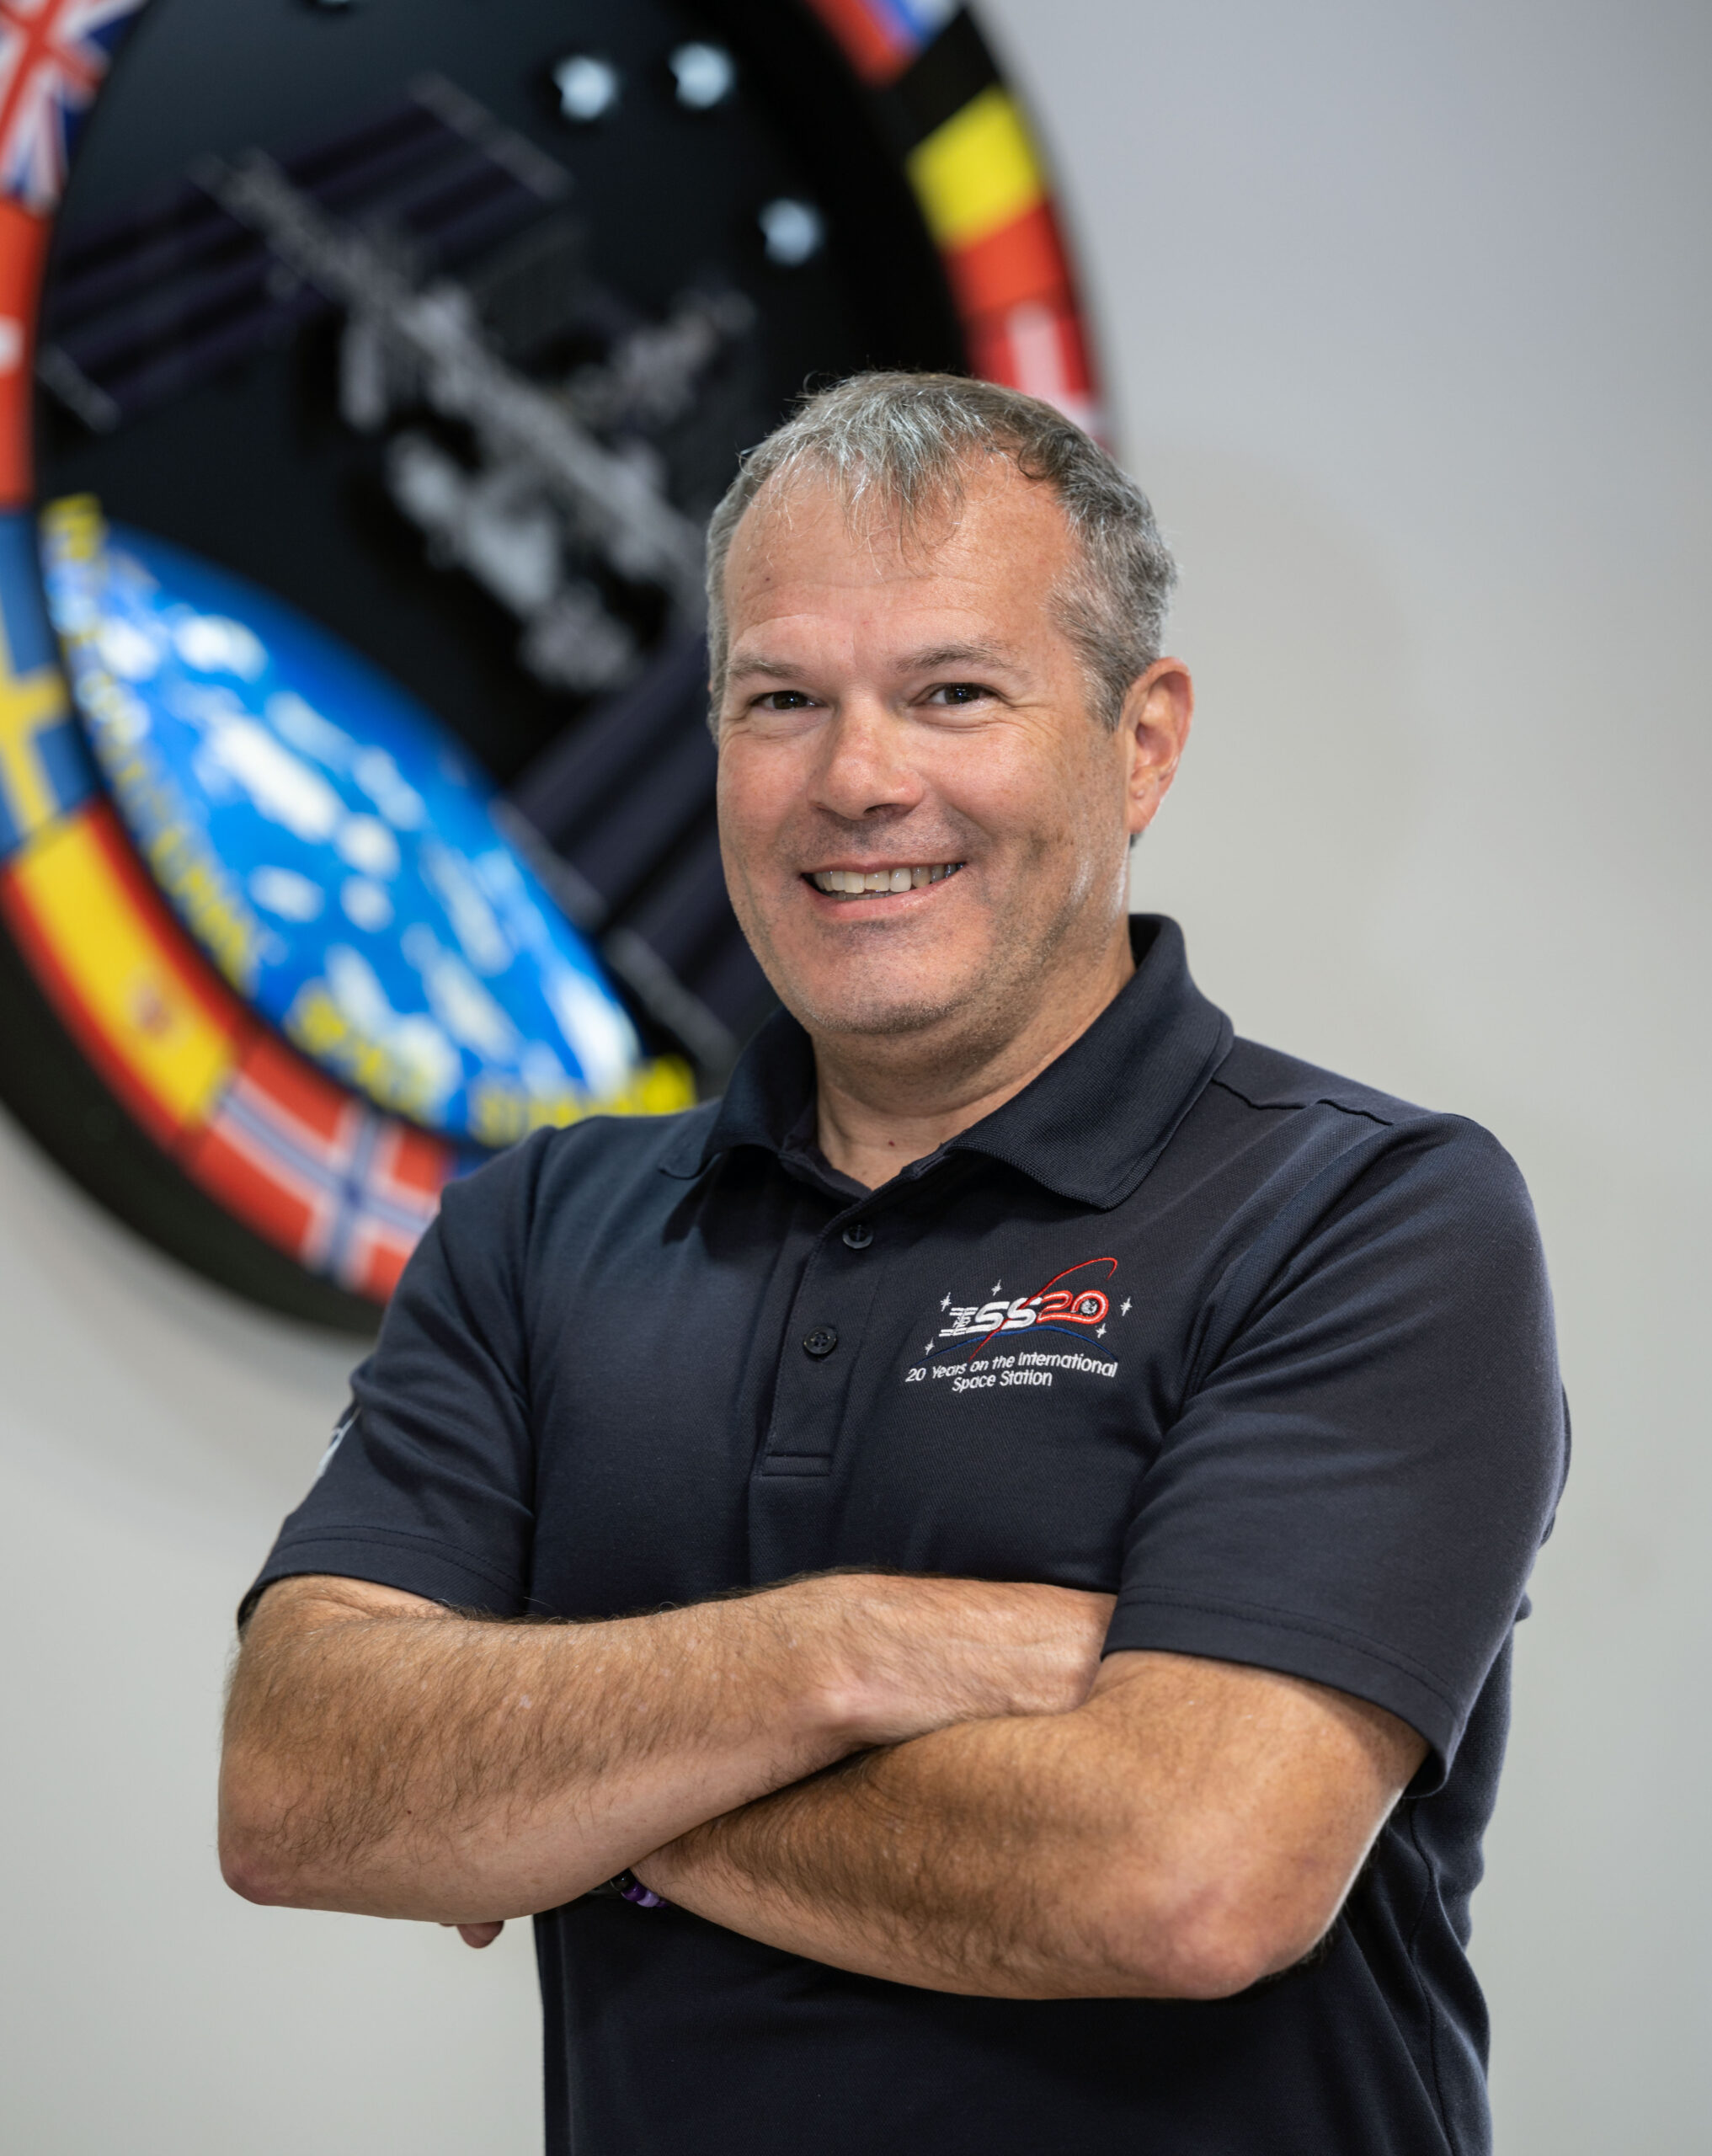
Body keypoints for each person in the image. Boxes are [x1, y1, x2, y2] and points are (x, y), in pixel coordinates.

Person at [220, 373, 1567, 2156]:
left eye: (952, 692)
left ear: (1142, 737)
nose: (860, 780)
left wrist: (573, 1795)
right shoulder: (539, 1230)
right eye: (783, 698)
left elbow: (1186, 1875)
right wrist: (847, 1649)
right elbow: (297, 1783)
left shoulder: (1370, 1213)